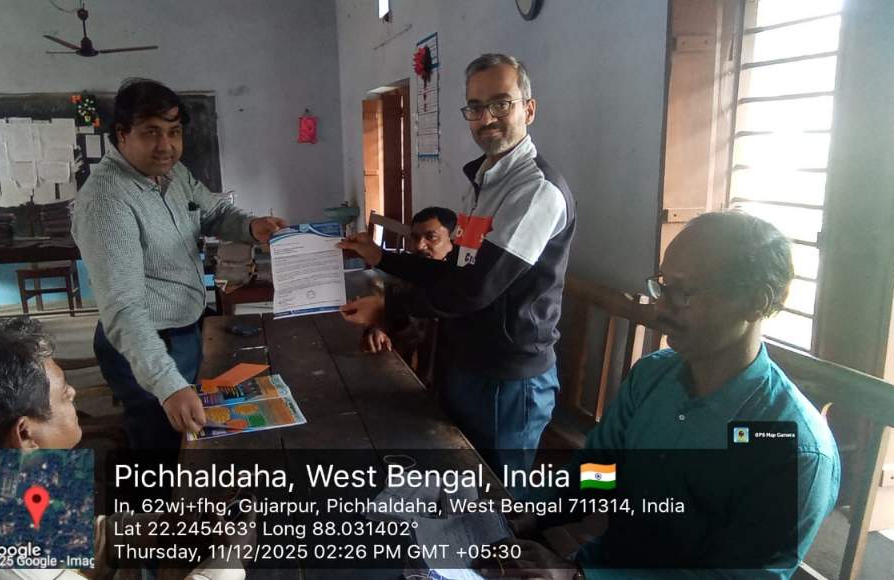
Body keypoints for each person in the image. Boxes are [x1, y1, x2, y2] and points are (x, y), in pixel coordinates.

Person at [481, 212, 840, 579]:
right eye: (663, 286)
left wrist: (575, 576)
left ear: (755, 303)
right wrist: (532, 512)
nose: (660, 307)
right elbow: (601, 471)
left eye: (683, 293)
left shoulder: (796, 450)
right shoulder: (653, 376)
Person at [340, 54, 576, 476]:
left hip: (507, 374)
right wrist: (383, 258)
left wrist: (390, 307)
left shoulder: (535, 191)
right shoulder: (485, 181)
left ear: (529, 109)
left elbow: (475, 289)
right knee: (462, 476)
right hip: (468, 359)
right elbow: (457, 271)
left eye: (501, 103)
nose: (487, 118)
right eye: (476, 107)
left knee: (501, 492)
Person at [0, 318, 249, 579]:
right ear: (25, 433)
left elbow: (69, 540)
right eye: (64, 394)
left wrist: (170, 524)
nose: (74, 393)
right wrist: (229, 562)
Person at [72, 78, 284, 449]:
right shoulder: (107, 201)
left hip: (185, 328)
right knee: (162, 449)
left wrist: (251, 227)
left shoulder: (173, 173)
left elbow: (213, 212)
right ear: (122, 134)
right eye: (151, 132)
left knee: (191, 438)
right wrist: (168, 386)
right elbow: (123, 308)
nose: (166, 146)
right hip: (148, 344)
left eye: (174, 132)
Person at [362, 206, 456, 361]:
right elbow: (394, 317)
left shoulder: (461, 285)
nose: (419, 246)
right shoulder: (406, 276)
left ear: (453, 240)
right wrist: (379, 329)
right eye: (415, 238)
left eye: (431, 237)